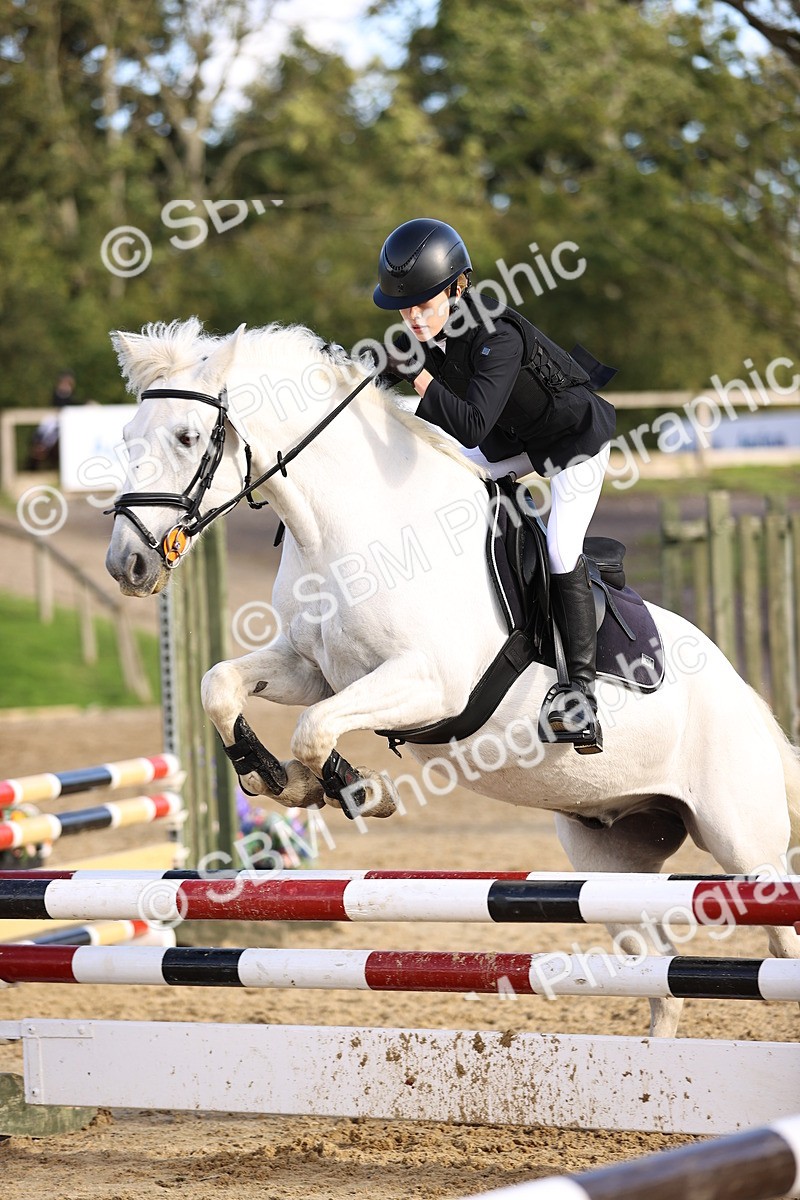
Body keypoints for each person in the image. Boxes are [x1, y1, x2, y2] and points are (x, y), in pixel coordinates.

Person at [373, 217, 616, 754]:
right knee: (444, 469)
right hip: (518, 442)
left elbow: (472, 425)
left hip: (574, 442)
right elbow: (393, 382)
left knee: (561, 548)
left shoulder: (497, 337)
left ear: (457, 287)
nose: (413, 318)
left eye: (422, 304)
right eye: (404, 309)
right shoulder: (434, 333)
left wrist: (416, 375)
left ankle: (580, 694)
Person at [28, 370, 78, 470]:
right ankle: (41, 447)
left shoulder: (69, 394)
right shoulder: (58, 393)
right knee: (48, 427)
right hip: (57, 418)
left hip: (64, 420)